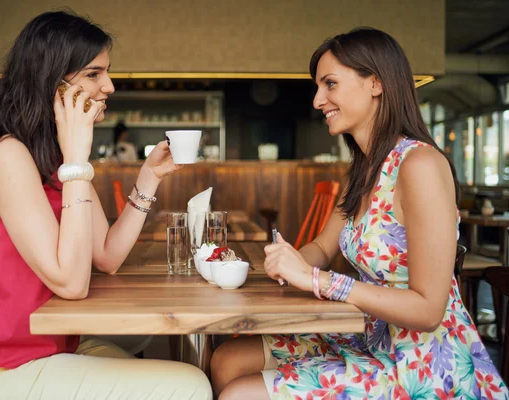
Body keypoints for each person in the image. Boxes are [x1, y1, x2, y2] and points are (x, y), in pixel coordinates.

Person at [210, 27, 508, 399]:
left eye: (329, 84)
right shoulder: (362, 171)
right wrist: (286, 265)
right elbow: (321, 247)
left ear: (376, 84)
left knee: (239, 393)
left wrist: (319, 281)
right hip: (367, 336)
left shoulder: (421, 165)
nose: (318, 100)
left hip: (423, 363)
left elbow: (429, 309)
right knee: (226, 360)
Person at [0, 10, 211, 400]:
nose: (110, 86)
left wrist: (148, 178)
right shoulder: (5, 154)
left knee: (164, 363)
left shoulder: (53, 156)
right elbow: (71, 283)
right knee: (191, 386)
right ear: (53, 81)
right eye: (94, 73)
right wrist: (76, 161)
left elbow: (107, 256)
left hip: (52, 347)